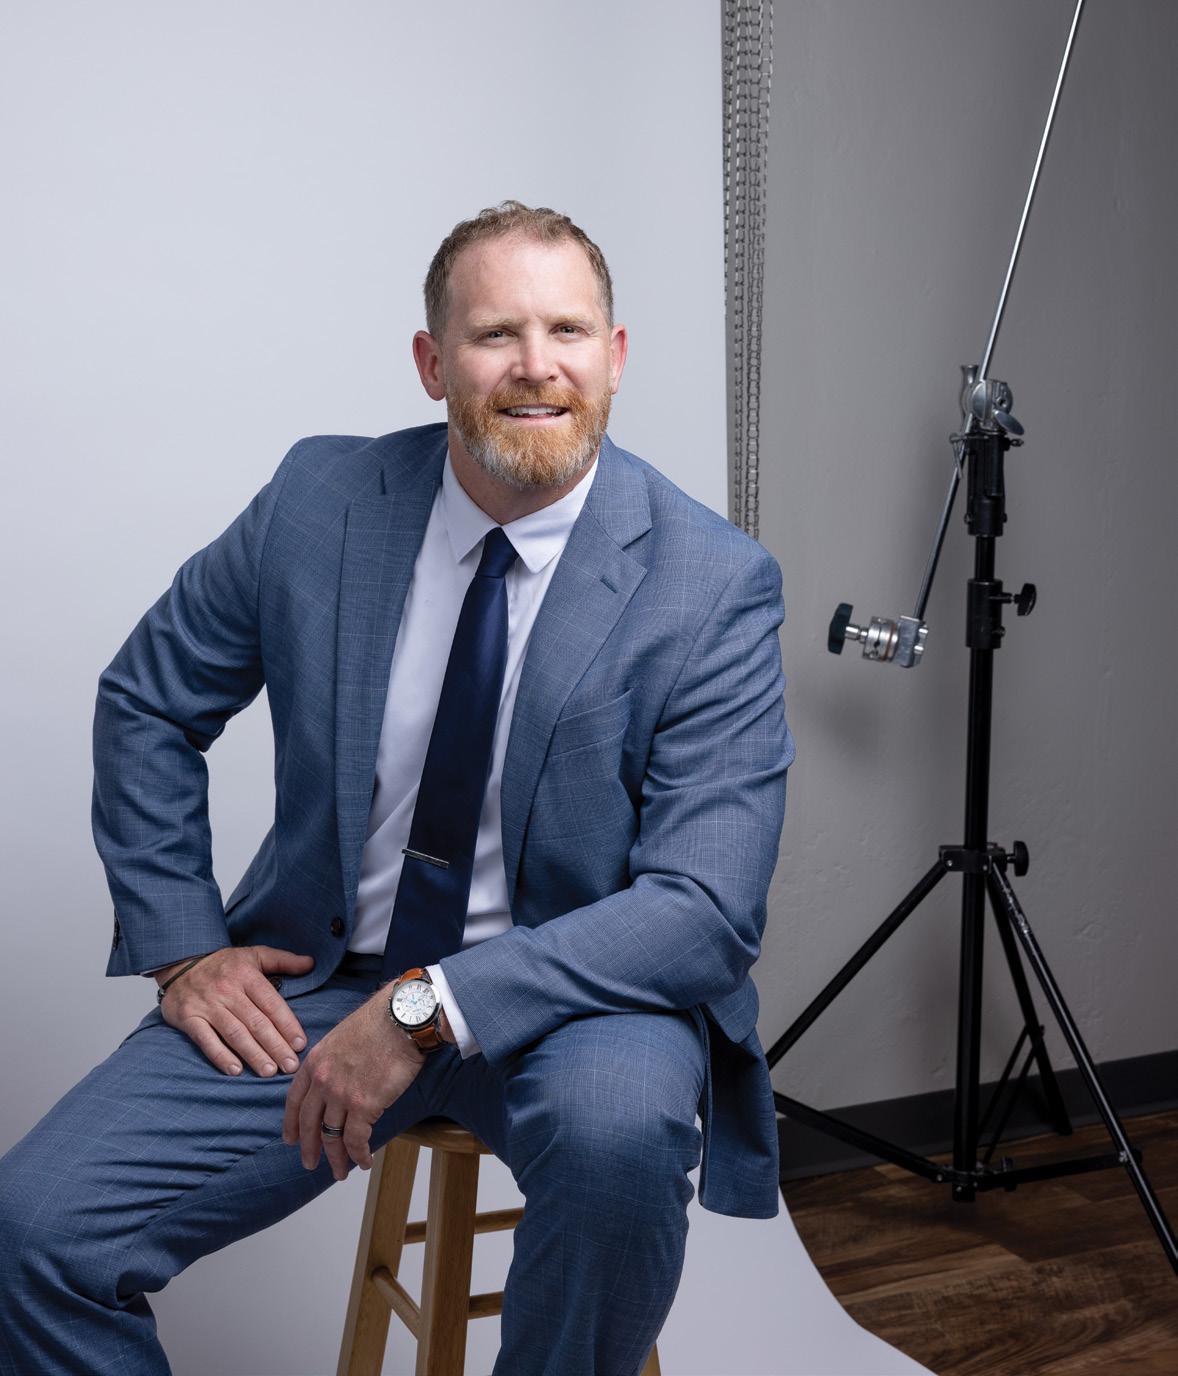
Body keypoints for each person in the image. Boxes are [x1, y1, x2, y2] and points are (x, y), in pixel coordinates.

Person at [0, 201, 794, 1376]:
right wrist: (184, 945)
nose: (536, 365)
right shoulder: (318, 500)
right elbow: (148, 700)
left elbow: (703, 907)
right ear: (432, 362)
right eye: (495, 333)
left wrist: (429, 1009)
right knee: (34, 1229)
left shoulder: (709, 581)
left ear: (615, 355)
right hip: (327, 977)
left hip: (581, 993)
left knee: (617, 1146)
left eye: (568, 330)